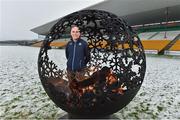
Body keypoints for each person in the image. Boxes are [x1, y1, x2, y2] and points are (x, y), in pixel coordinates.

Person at [65, 25, 90, 92]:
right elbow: (67, 56)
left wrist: (81, 64)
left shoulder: (84, 44)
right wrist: (70, 63)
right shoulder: (68, 44)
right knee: (71, 88)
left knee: (79, 89)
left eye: (77, 32)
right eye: (73, 32)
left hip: (80, 71)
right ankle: (72, 100)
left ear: (79, 33)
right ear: (71, 33)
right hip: (69, 70)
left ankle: (80, 101)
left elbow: (88, 57)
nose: (75, 33)